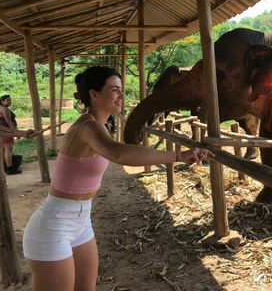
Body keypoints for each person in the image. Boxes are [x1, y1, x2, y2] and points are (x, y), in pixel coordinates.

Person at [22, 66, 214, 291]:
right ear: (94, 95)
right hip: (53, 225)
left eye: (121, 89)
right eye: (115, 90)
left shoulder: (100, 126)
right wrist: (179, 156)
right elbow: (119, 153)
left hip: (81, 221)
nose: (122, 96)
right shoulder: (87, 127)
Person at [0, 94, 21, 174]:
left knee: (4, 151)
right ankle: (10, 168)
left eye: (10, 100)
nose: (9, 102)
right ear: (2, 101)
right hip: (7, 132)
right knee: (8, 150)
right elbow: (9, 121)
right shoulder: (4, 109)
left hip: (2, 132)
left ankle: (5, 167)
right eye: (7, 100)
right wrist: (15, 133)